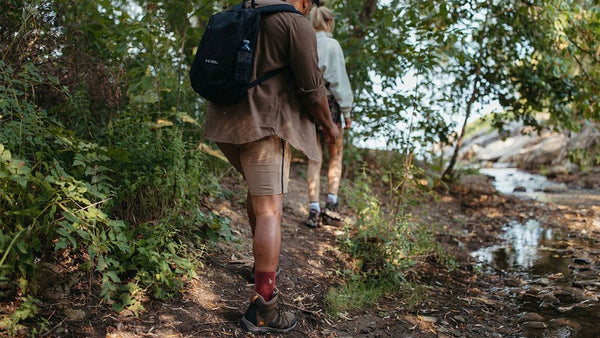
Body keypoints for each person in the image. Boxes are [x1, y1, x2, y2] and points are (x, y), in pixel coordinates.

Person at [202, 0, 339, 334]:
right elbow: (311, 87)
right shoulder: (294, 24)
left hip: (225, 127)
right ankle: (264, 307)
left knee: (259, 198)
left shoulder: (241, 13)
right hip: (265, 126)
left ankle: (260, 267)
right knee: (270, 210)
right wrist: (330, 127)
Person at [304, 5, 354, 228]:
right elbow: (339, 80)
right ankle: (331, 206)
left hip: (309, 104)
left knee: (314, 159)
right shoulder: (333, 45)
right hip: (330, 104)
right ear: (329, 22)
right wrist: (347, 112)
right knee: (335, 155)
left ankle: (313, 209)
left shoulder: (305, 42)